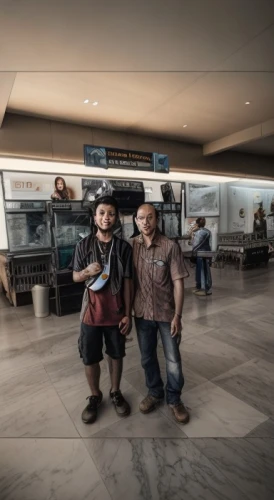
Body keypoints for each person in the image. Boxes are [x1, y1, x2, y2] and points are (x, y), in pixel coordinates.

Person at [72, 195, 133, 424]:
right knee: (90, 357)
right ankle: (95, 395)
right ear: (94, 216)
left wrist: (127, 313)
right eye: (101, 213)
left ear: (116, 217)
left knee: (116, 354)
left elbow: (128, 281)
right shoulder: (83, 245)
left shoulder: (123, 247)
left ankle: (115, 392)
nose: (106, 218)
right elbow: (75, 276)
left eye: (110, 213)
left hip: (116, 312)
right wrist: (86, 272)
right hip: (91, 314)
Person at [132, 203, 190, 424]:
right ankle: (155, 392)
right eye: (141, 218)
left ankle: (174, 399)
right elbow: (129, 282)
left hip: (166, 313)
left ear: (156, 219)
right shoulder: (131, 246)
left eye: (149, 217)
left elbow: (178, 283)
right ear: (135, 221)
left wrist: (178, 316)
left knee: (173, 359)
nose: (145, 222)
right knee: (147, 357)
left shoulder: (169, 246)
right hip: (142, 313)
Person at [192, 217, 212, 296]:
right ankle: (206, 287)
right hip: (207, 252)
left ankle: (202, 288)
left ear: (197, 223)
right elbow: (210, 244)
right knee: (206, 270)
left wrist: (193, 251)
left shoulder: (197, 232)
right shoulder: (208, 232)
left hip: (199, 254)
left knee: (201, 270)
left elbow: (195, 244)